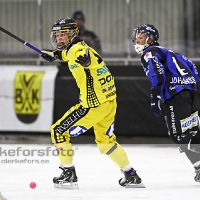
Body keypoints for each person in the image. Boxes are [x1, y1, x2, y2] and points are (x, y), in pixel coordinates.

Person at [41, 17, 144, 189]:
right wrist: (52, 54)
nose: (59, 39)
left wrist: (86, 62)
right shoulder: (74, 48)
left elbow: (86, 59)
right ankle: (131, 174)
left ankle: (68, 174)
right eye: (57, 35)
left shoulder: (80, 51)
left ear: (73, 34)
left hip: (92, 105)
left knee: (58, 131)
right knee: (106, 141)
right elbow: (64, 54)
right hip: (108, 103)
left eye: (63, 35)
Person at [131, 24, 200, 182]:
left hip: (175, 97)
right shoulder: (172, 52)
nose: (137, 42)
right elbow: (193, 68)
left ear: (150, 39)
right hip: (191, 94)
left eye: (140, 38)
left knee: (179, 136)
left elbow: (158, 75)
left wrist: (155, 97)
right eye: (136, 39)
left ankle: (199, 166)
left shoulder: (149, 53)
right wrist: (187, 86)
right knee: (194, 131)